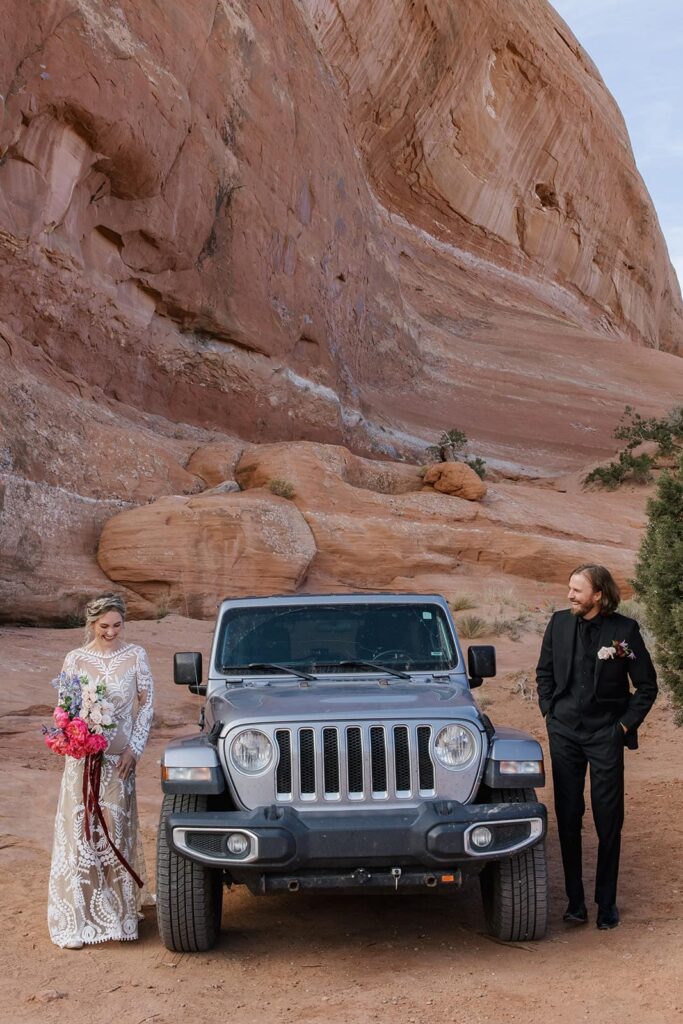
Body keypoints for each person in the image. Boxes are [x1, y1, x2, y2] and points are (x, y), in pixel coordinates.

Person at [536, 564, 657, 930]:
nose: (569, 595)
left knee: (608, 819)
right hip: (565, 733)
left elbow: (647, 686)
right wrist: (550, 714)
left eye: (577, 590)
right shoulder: (558, 624)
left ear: (598, 595)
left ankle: (606, 903)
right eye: (569, 588)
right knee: (568, 816)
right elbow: (544, 673)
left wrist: (621, 726)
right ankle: (575, 902)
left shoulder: (625, 632)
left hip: (605, 733)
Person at [47, 593, 155, 948]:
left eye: (117, 625)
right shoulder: (75, 659)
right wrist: (75, 738)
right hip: (81, 761)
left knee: (115, 828)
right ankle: (78, 920)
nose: (111, 632)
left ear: (125, 622)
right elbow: (63, 708)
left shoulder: (136, 655)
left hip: (118, 762)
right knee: (82, 832)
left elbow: (147, 704)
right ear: (92, 624)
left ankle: (120, 917)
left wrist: (134, 750)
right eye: (104, 626)